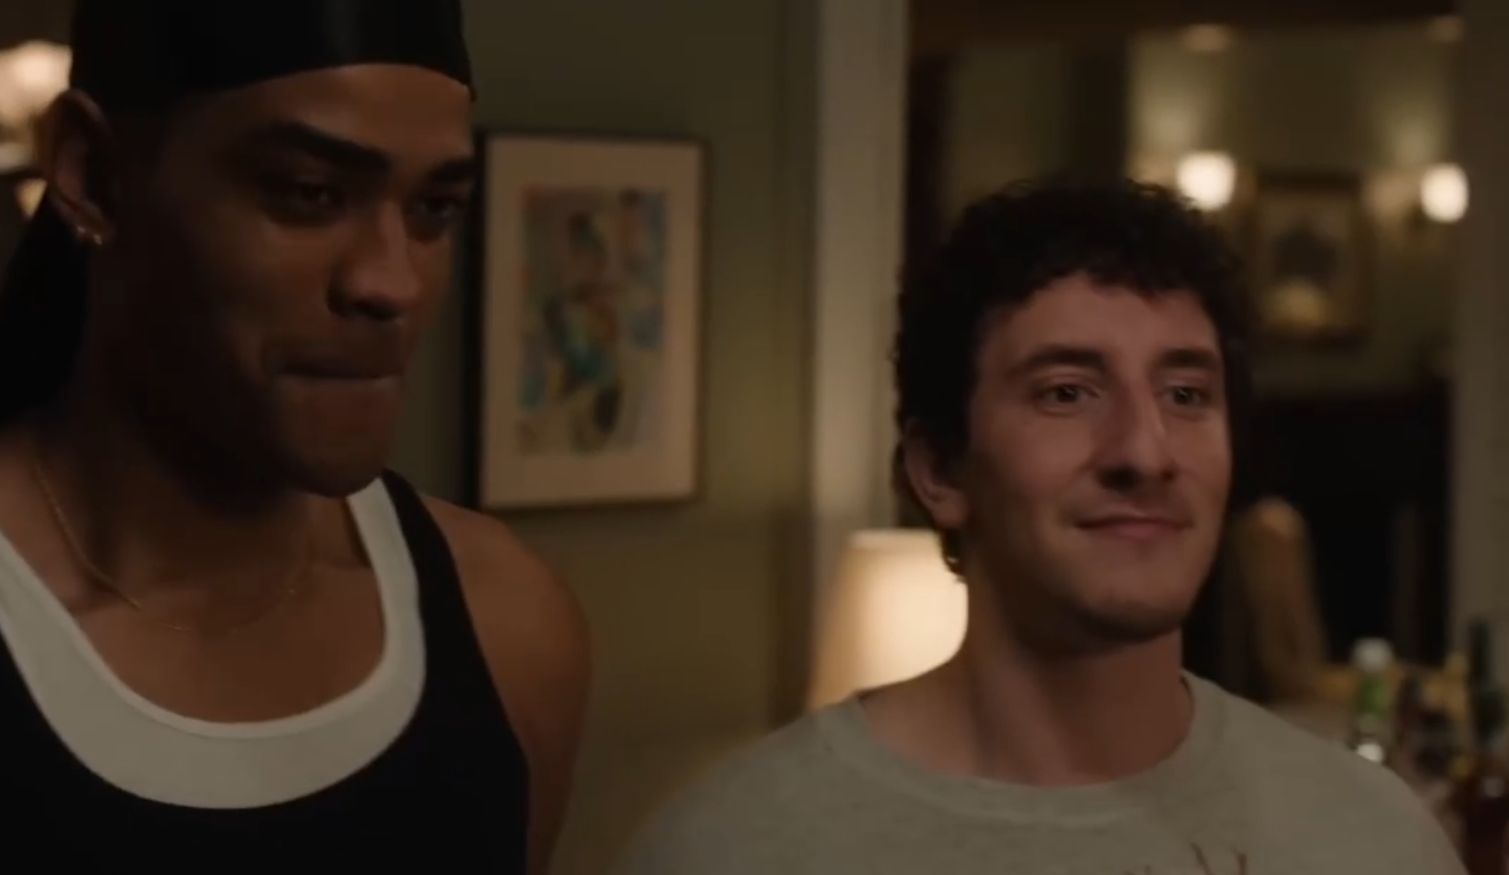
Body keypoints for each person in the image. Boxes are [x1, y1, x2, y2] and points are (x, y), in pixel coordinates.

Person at [615, 180, 1464, 874]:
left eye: (1185, 394)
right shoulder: (736, 848)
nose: (1144, 451)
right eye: (1066, 392)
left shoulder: (1370, 840)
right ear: (940, 470)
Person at [0, 2, 588, 871]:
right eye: (309, 193)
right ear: (93, 173)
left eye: (435, 208)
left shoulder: (505, 619)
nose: (390, 282)